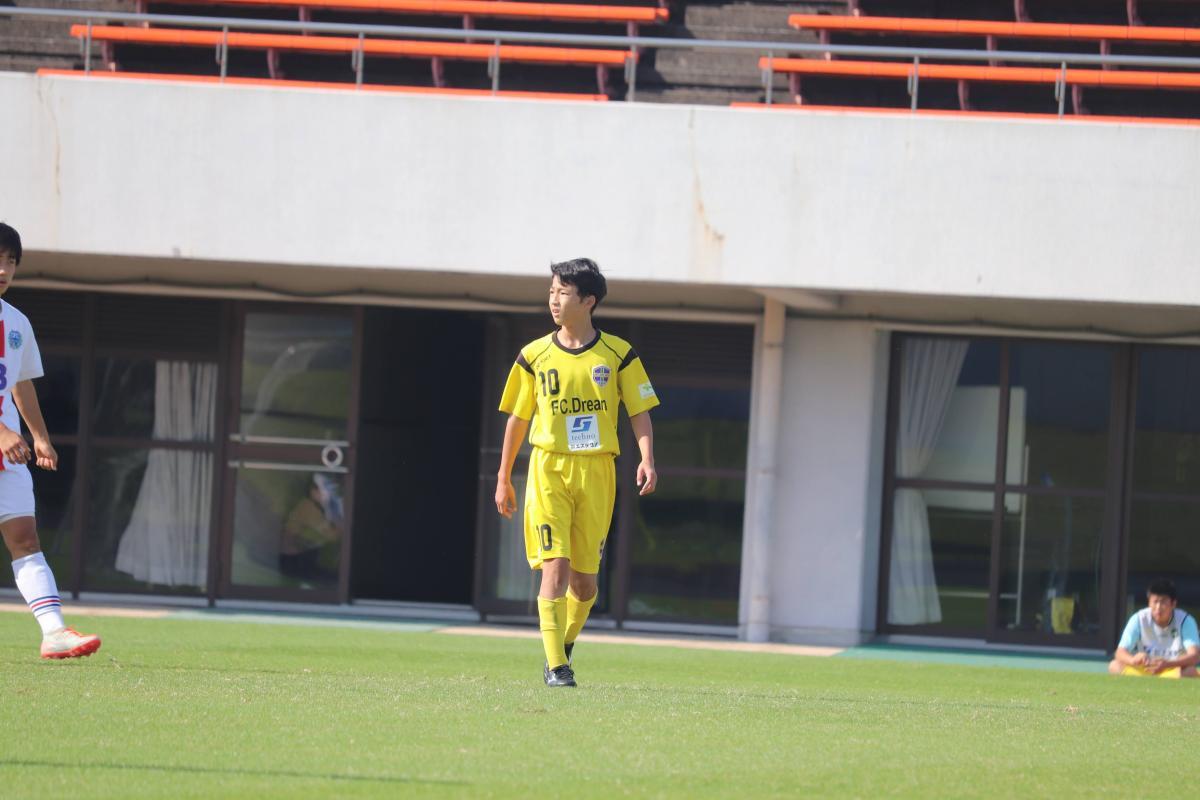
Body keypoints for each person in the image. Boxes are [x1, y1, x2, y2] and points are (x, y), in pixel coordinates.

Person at [495, 258, 659, 687]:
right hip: (548, 467)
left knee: (584, 585)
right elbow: (517, 418)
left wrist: (646, 458)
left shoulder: (619, 354)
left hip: (597, 471)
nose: (554, 300)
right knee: (555, 567)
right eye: (551, 291)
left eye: (563, 293)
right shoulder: (533, 355)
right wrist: (503, 477)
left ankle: (561, 646)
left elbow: (639, 410)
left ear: (588, 301)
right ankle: (557, 667)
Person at [0, 223, 100, 659]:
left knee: (25, 539)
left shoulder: (16, 322)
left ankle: (54, 632)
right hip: (3, 440)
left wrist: (39, 437)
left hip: (7, 454)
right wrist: (2, 432)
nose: (4, 269)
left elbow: (21, 383)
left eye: (11, 261)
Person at [1108, 578, 1199, 678]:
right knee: (1114, 665)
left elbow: (1195, 656)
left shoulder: (1185, 621)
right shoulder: (1139, 619)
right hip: (1144, 670)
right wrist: (1133, 660)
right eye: (1155, 602)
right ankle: (1143, 683)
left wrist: (1167, 664)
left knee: (1190, 671)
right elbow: (1119, 652)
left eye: (1163, 602)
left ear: (1173, 604)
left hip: (1171, 670)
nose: (1158, 607)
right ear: (1149, 603)